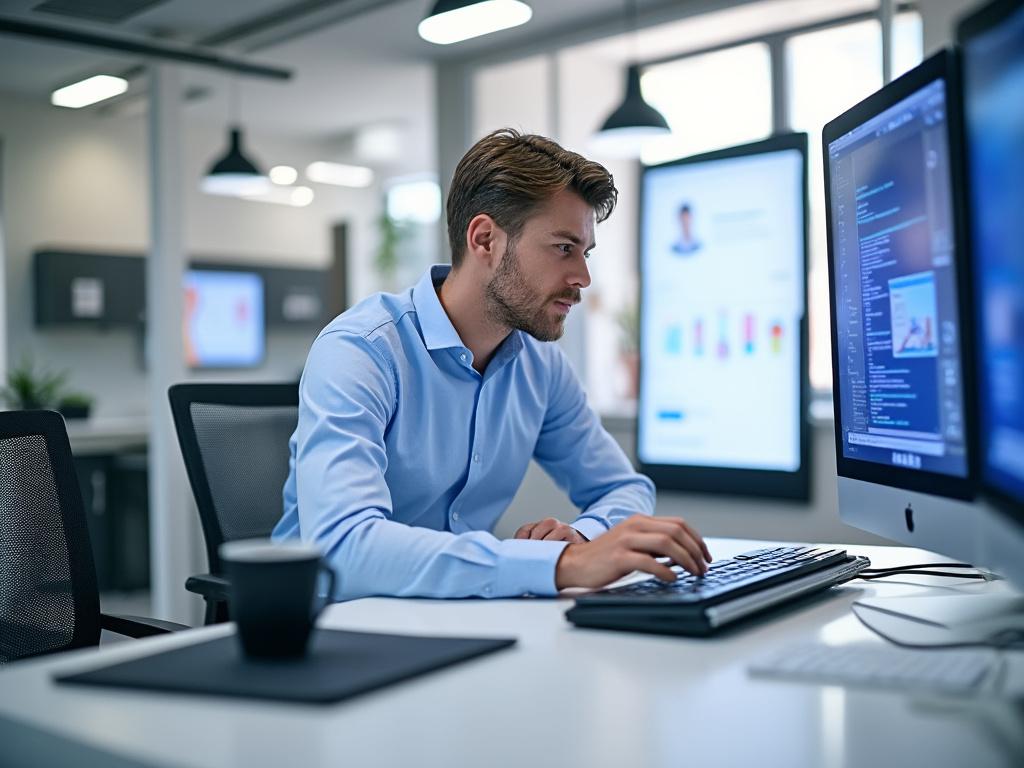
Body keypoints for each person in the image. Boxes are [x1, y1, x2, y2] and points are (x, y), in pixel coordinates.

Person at [273, 128, 711, 599]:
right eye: (564, 248)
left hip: (458, 619)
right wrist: (556, 565)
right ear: (485, 240)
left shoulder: (541, 365)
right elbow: (343, 546)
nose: (582, 277)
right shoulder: (361, 351)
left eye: (585, 253)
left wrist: (583, 539)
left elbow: (623, 489)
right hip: (331, 630)